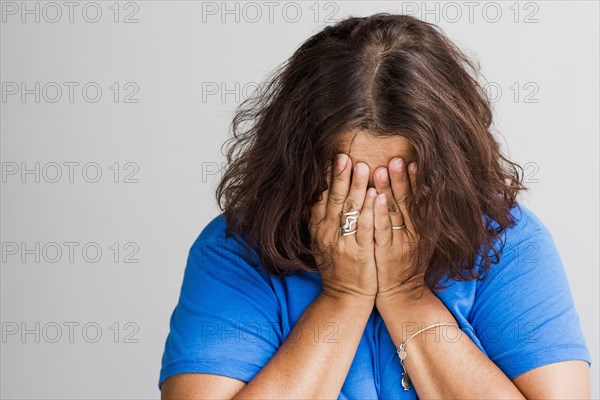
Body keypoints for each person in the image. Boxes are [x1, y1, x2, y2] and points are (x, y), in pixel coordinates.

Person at [159, 13, 592, 399]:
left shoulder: (510, 240)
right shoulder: (233, 250)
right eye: (350, 181)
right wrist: (343, 297)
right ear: (299, 167)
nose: (373, 206)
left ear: (450, 169)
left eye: (400, 182)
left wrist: (406, 294)